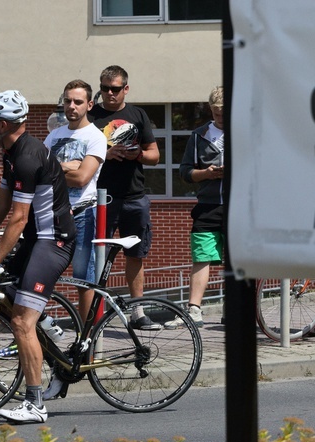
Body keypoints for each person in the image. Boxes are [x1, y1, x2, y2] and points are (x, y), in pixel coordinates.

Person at [0, 90, 76, 424]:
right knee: (11, 300)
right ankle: (53, 346)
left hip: (53, 241)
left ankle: (35, 403)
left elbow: (19, 218)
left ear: (3, 124)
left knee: (22, 321)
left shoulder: (27, 155)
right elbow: (2, 202)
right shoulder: (11, 153)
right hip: (36, 239)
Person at [88, 65, 161, 330]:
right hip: (100, 197)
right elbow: (78, 156)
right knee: (97, 255)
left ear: (125, 89)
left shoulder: (138, 114)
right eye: (105, 88)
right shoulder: (91, 116)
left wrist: (137, 155)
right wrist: (104, 156)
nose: (109, 93)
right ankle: (96, 314)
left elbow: (154, 154)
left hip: (134, 196)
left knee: (135, 254)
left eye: (115, 89)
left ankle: (137, 312)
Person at [43, 79, 107, 325]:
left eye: (78, 102)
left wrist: (56, 170)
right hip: (52, 213)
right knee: (42, 276)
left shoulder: (95, 137)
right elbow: (40, 174)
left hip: (82, 214)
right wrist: (66, 166)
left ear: (89, 105)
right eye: (68, 101)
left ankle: (87, 339)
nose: (72, 106)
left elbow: (82, 178)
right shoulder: (54, 136)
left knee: (83, 278)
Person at [165, 86, 224, 329]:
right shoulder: (198, 136)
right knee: (202, 256)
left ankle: (235, 310)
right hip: (207, 206)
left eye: (226, 112)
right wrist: (206, 174)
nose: (222, 118)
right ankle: (194, 310)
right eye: (218, 113)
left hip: (239, 205)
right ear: (211, 109)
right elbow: (185, 172)